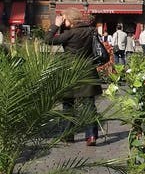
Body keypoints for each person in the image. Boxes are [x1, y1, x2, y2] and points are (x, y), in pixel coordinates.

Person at [43, 9, 102, 146]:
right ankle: (91, 136)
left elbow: (48, 40)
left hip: (70, 72)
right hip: (87, 70)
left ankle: (68, 134)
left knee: (68, 105)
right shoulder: (91, 31)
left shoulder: (70, 34)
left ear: (70, 19)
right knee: (89, 105)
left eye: (64, 19)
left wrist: (56, 25)